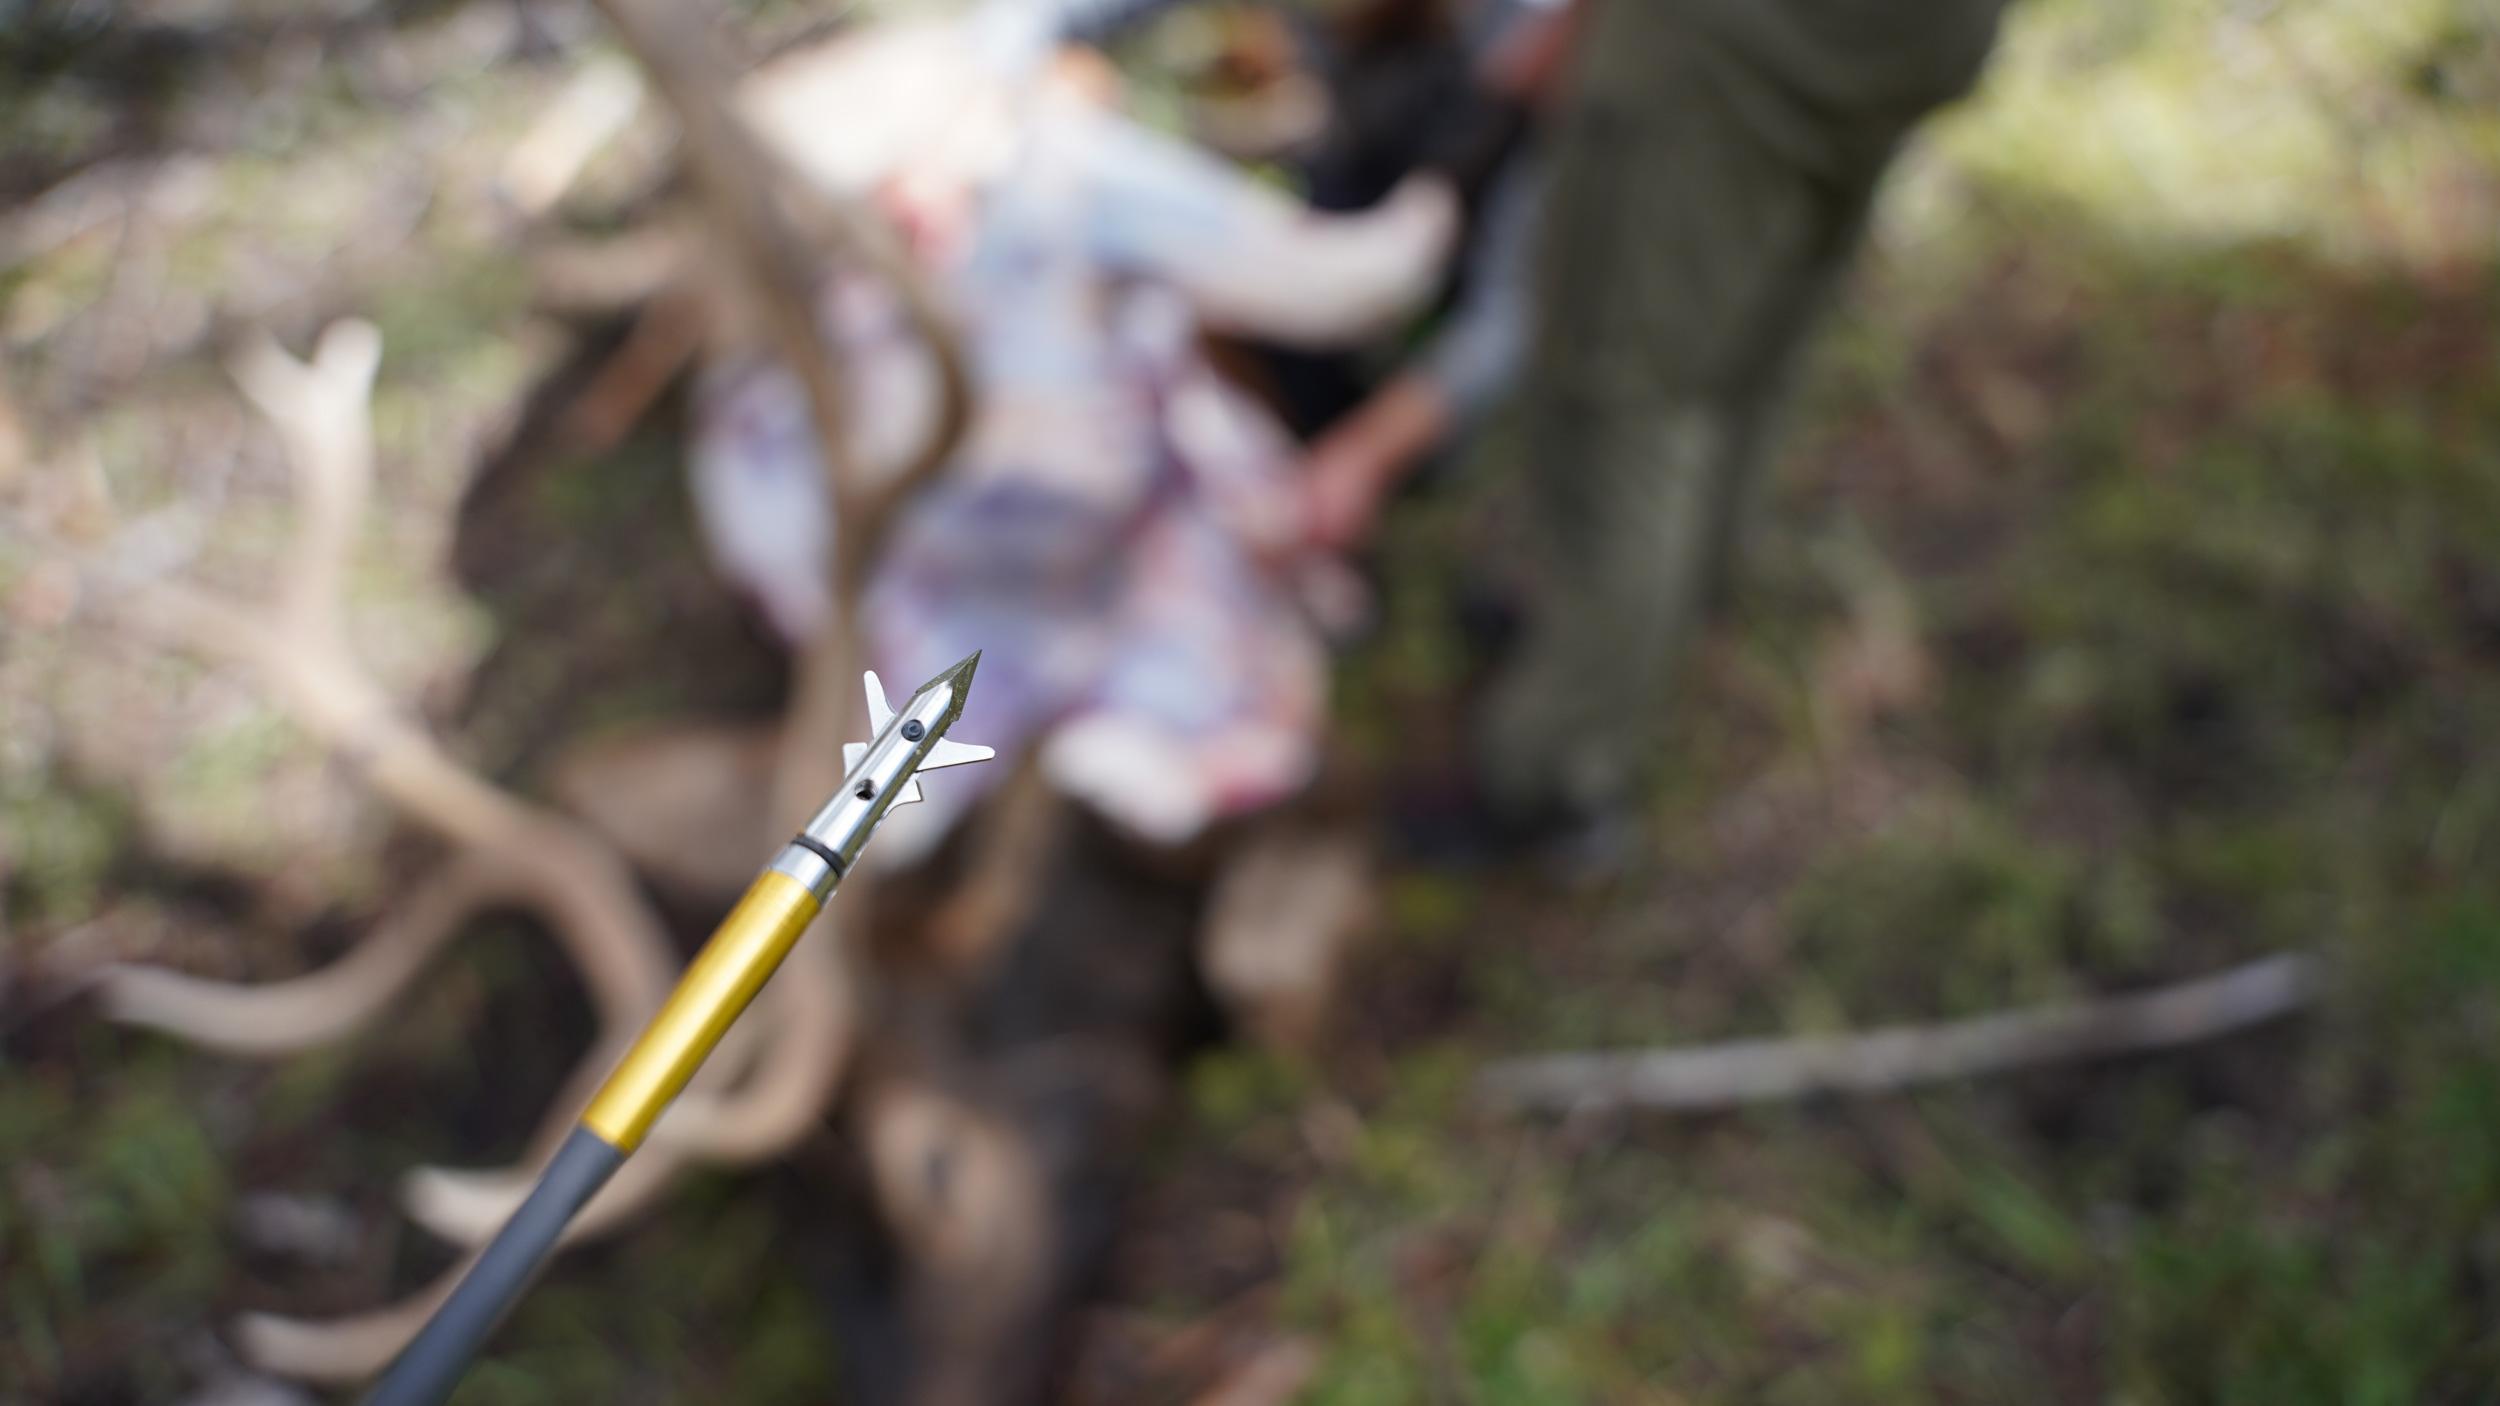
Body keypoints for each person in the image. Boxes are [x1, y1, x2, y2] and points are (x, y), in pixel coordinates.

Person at [690, 18, 1459, 860]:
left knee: (1161, 777)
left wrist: (1454, 179)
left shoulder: (1051, 177)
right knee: (881, 832)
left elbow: (1345, 281)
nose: (902, 218)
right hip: (958, 618)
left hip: (1145, 556)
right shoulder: (793, 338)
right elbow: (774, 528)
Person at [1474, 0, 2013, 836]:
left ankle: (1554, 771)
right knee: (1750, 330)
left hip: (1735, 36)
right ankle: (1659, 614)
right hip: (1920, 35)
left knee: (1627, 384)